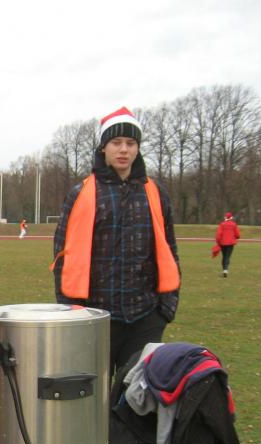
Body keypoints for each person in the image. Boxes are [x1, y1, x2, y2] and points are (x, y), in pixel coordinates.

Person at [51, 106, 181, 378]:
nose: (124, 149)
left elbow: (169, 249)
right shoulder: (81, 193)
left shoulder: (155, 193)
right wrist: (70, 310)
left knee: (135, 395)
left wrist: (165, 310)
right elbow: (62, 254)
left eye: (130, 143)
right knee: (93, 395)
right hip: (93, 317)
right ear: (104, 147)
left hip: (145, 317)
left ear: (138, 148)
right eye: (116, 142)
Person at [215, 211, 240, 277]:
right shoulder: (234, 224)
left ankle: (224, 270)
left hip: (223, 243)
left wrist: (218, 242)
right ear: (231, 217)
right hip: (230, 243)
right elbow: (238, 235)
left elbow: (218, 234)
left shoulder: (222, 224)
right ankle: (226, 270)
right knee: (227, 256)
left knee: (224, 256)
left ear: (225, 217)